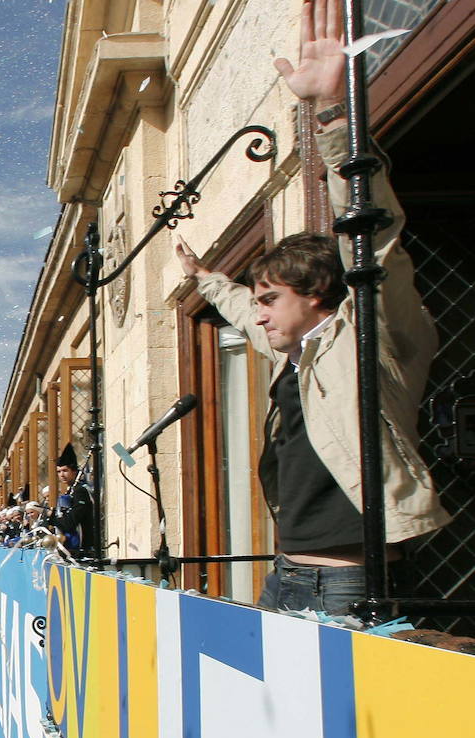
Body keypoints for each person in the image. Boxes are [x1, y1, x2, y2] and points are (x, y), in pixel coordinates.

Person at [174, 0, 449, 616]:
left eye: (275, 298)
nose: (261, 314)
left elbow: (375, 233)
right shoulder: (292, 354)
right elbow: (245, 311)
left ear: (319, 295)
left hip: (354, 584)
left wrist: (330, 115)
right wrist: (206, 282)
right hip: (288, 574)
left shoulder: (367, 338)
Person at [51, 443, 93, 554]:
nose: (61, 475)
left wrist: (53, 519)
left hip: (80, 547)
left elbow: (70, 522)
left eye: (65, 470)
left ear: (74, 471)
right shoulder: (70, 491)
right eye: (59, 472)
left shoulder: (80, 491)